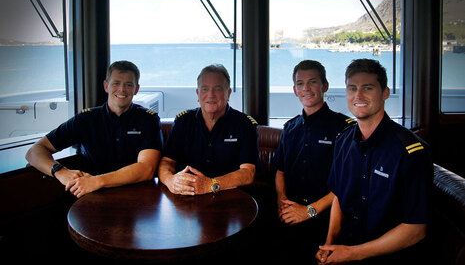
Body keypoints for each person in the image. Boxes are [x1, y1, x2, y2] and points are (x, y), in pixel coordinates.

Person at [316, 59, 432, 265]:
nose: (358, 95)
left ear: (385, 92)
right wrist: (329, 245)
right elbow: (339, 199)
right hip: (345, 251)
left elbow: (415, 229)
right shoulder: (343, 141)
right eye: (352, 88)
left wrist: (352, 253)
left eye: (367, 88)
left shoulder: (411, 152)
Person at [26, 60, 163, 198]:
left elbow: (146, 169)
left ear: (136, 89)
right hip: (92, 195)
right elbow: (34, 151)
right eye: (116, 83)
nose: (122, 89)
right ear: (106, 86)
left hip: (136, 195)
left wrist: (96, 181)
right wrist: (61, 172)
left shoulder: (148, 119)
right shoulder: (86, 119)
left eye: (128, 85)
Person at [273, 60, 354, 260]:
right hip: (291, 217)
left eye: (312, 82)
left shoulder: (345, 129)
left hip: (326, 220)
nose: (306, 88)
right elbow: (280, 171)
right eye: (300, 84)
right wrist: (282, 204)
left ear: (324, 86)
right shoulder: (289, 128)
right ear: (294, 90)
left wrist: (309, 211)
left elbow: (345, 185)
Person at [158, 64, 258, 195]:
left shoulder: (245, 124)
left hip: (230, 197)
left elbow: (248, 173)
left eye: (217, 89)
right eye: (205, 89)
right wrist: (170, 180)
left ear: (228, 93)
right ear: (198, 94)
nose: (211, 95)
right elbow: (167, 162)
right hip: (187, 198)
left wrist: (211, 185)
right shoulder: (183, 121)